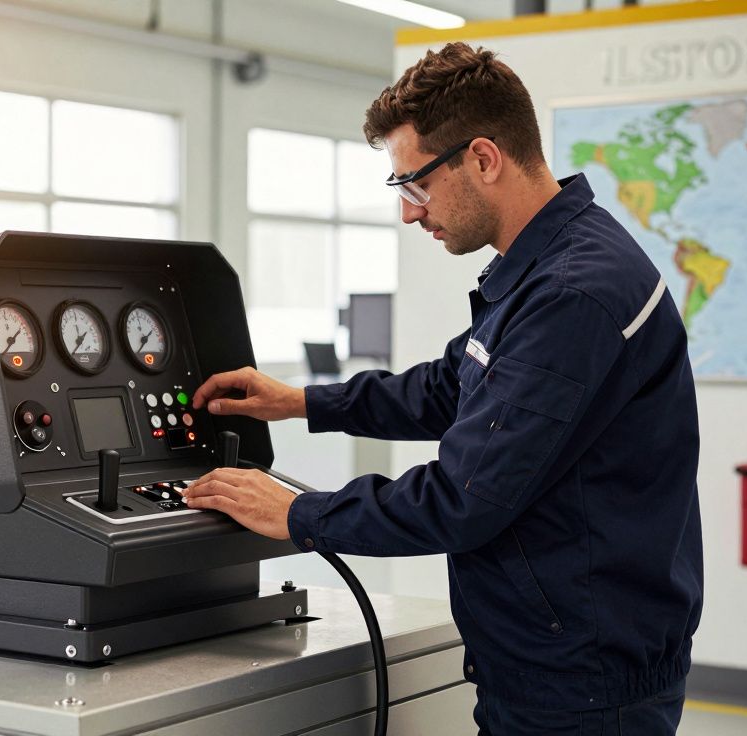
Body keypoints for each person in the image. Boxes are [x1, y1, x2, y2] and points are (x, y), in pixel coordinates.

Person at [183, 42, 702, 735]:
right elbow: (450, 389)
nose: (409, 213)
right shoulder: (543, 269)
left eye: (415, 185)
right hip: (559, 656)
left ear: (484, 159)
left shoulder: (572, 293)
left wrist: (298, 513)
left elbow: (463, 497)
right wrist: (302, 401)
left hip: (580, 683)